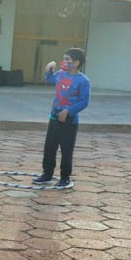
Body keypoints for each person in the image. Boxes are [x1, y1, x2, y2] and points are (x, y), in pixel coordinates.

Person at [33, 47, 91, 190]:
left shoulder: (83, 81)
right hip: (54, 117)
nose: (64, 62)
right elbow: (50, 79)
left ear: (76, 63)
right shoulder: (60, 74)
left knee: (66, 150)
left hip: (69, 122)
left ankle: (65, 178)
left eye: (67, 59)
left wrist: (69, 111)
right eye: (64, 59)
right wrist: (49, 70)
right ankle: (47, 174)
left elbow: (84, 101)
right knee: (49, 147)